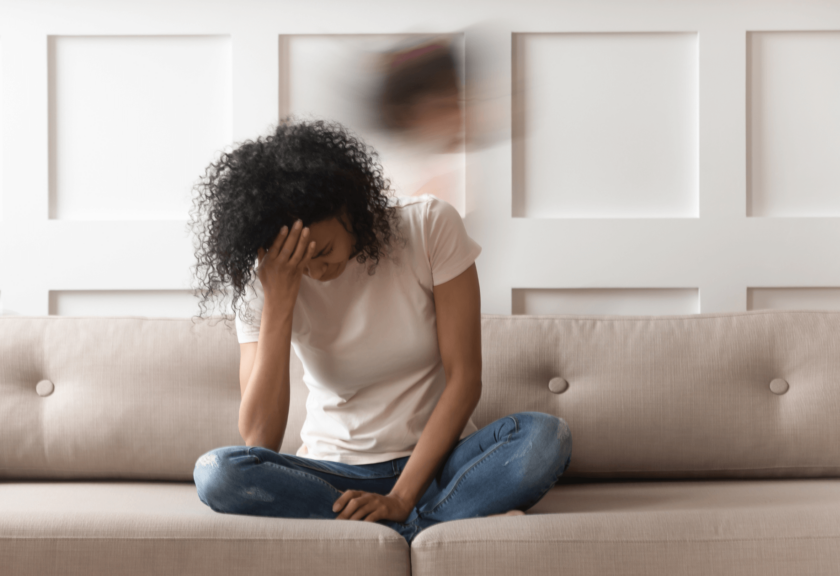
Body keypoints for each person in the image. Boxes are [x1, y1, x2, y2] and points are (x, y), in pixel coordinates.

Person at [190, 120, 572, 543]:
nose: (317, 271)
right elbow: (259, 438)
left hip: (440, 464)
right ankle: (436, 524)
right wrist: (279, 301)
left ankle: (396, 524)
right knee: (216, 473)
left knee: (545, 437)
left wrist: (401, 497)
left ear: (349, 209)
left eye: (325, 251)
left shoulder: (429, 226)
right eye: (303, 263)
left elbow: (465, 380)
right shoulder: (269, 282)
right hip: (333, 477)